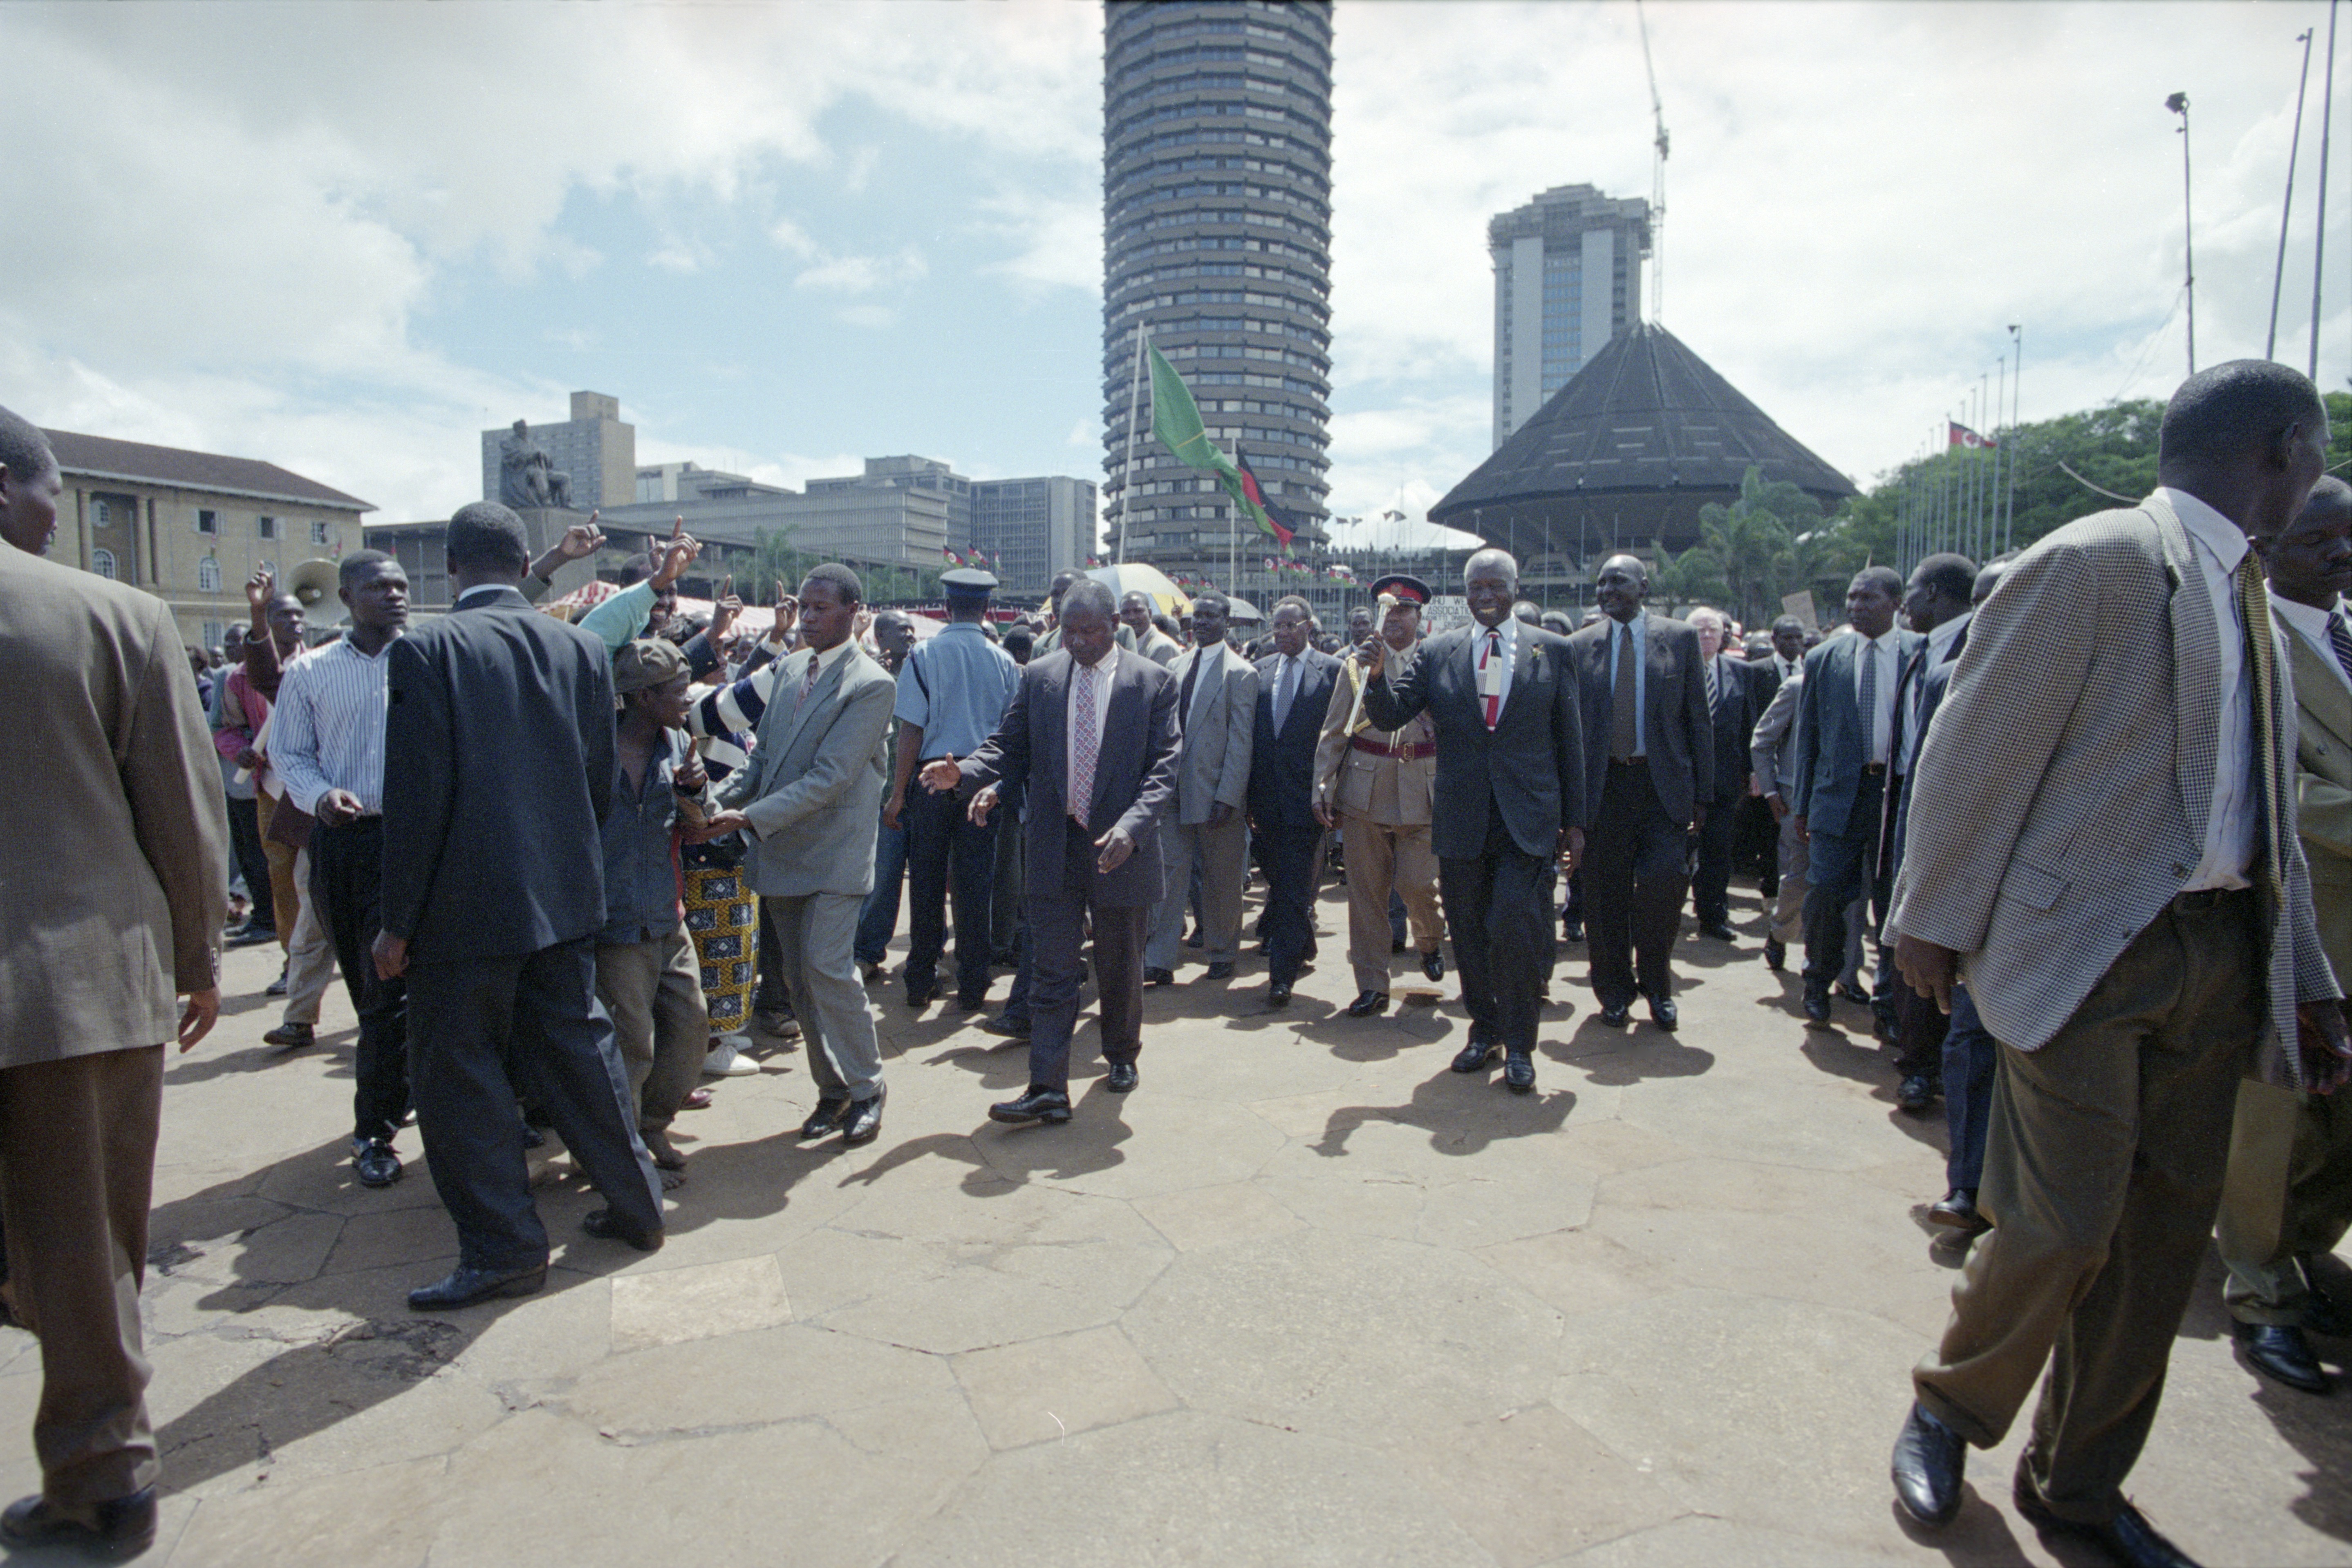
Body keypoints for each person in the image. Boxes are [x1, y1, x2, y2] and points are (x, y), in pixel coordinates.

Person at [1886, 361, 2350, 1568]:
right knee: (2062, 1225)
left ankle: (2078, 1486)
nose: (2320, 479)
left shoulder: (2250, 590)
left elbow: (2265, 819)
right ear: (2282, 451)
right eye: (2317, 456)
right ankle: (1950, 1407)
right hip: (2085, 950)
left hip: (2223, 954)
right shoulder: (2093, 562)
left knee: (2158, 1245)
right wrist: (1928, 922)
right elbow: (1973, 753)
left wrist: (2307, 980)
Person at [0, 408, 227, 1557]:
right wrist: (198, 959)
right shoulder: (114, 616)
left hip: (66, 993)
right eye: (52, 494)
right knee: (82, 1247)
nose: (59, 518)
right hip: (73, 989)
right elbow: (181, 813)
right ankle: (104, 1475)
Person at [378, 502, 668, 1313]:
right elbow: (599, 779)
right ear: (521, 561)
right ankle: (639, 1204)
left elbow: (416, 798)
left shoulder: (427, 648)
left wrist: (397, 921)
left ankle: (504, 1248)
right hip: (565, 897)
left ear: (451, 564)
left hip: (462, 910)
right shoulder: (578, 649)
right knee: (582, 1053)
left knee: (460, 1073)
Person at [924, 580, 1180, 1124]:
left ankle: (1121, 1053)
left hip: (1119, 847)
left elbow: (1163, 769)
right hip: (1054, 843)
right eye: (1070, 632)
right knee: (1051, 968)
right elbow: (1008, 745)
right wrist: (965, 773)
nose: (1080, 642)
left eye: (1090, 631)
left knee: (1119, 964)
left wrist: (1132, 828)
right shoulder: (1040, 677)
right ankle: (1047, 1087)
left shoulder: (1151, 681)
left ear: (1115, 625)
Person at [2217, 474, 2352, 1394]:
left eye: (2350, 538)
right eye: (2320, 540)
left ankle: (2303, 1254)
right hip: (2303, 921)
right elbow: (2265, 782)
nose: (2341, 555)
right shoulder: (2242, 640)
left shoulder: (2345, 633)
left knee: (2341, 1129)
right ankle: (2260, 1291)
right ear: (2265, 547)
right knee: (2273, 1117)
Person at [1360, 548, 1584, 1094]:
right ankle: (1484, 1031)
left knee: (1514, 927)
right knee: (1469, 931)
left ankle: (1521, 1045)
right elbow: (1391, 714)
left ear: (1514, 587)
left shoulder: (1553, 650)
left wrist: (1576, 822)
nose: (1485, 596)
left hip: (1527, 818)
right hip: (1462, 817)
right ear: (1464, 593)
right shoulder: (1439, 651)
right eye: (1475, 587)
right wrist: (1376, 674)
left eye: (1495, 586)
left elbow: (1570, 741)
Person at [702, 566, 897, 1148]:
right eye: (804, 607)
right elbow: (762, 762)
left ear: (853, 612)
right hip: (783, 850)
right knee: (797, 980)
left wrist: (749, 819)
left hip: (836, 854)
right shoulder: (789, 670)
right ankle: (832, 1090)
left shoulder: (871, 684)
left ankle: (868, 1087)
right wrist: (715, 801)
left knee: (827, 969)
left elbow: (831, 776)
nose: (807, 618)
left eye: (820, 608)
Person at [267, 550, 414, 1188]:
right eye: (379, 586)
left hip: (417, 842)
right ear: (348, 597)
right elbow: (289, 753)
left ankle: (393, 1120)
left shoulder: (430, 659)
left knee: (412, 990)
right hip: (348, 844)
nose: (395, 594)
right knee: (372, 989)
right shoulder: (311, 672)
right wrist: (320, 795)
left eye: (401, 585)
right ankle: (384, 1113)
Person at [1900, 559, 2004, 1234]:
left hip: (2058, 904)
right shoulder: (1948, 680)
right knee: (1970, 1040)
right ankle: (1966, 1187)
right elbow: (1927, 800)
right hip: (1972, 896)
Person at [1568, 556, 1710, 1030]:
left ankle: (1658, 985)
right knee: (1604, 897)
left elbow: (1698, 720)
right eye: (1601, 582)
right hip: (1603, 790)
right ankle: (1613, 991)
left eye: (1619, 581)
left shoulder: (1680, 639)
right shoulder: (1580, 646)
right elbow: (1570, 731)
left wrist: (1703, 795)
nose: (1608, 589)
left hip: (1661, 788)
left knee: (1663, 887)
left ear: (1644, 587)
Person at [594, 639, 712, 1184]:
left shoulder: (680, 745)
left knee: (691, 1027)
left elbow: (697, 826)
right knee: (632, 1043)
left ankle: (652, 1125)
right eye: (677, 691)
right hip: (615, 924)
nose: (687, 699)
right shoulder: (593, 751)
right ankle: (625, 1155)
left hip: (667, 914)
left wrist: (696, 791)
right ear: (643, 697)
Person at [1792, 568, 1922, 1026]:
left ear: (1896, 604)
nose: (1856, 607)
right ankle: (1817, 981)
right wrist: (1802, 806)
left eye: (1868, 598)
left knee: (1891, 903)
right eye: (1851, 598)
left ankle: (1889, 1002)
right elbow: (1808, 738)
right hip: (1837, 798)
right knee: (1825, 894)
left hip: (1896, 796)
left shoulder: (1919, 652)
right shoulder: (1825, 658)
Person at [887, 570, 1021, 1011]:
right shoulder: (1004, 662)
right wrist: (997, 785)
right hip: (982, 779)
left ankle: (920, 977)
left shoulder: (923, 655)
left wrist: (898, 794)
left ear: (946, 607)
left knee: (926, 882)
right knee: (975, 885)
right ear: (987, 609)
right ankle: (974, 981)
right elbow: (1011, 735)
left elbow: (911, 730)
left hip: (930, 777)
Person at [1313, 576, 1443, 1018]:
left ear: (1418, 617)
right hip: (1365, 786)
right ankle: (1372, 984)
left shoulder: (1436, 660)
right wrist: (1323, 785)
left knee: (1418, 883)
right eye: (1387, 610)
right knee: (1366, 893)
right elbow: (1335, 730)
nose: (1394, 619)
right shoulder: (1356, 664)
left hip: (1423, 787)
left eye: (1403, 610)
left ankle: (1430, 940)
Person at [1879, 553, 1977, 1114]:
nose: (1905, 602)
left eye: (1911, 589)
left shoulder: (1976, 651)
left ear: (1935, 594)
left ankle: (1930, 1064)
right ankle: (1916, 1062)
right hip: (1907, 810)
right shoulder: (1919, 653)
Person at [1145, 588, 1256, 985]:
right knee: (1169, 874)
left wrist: (1229, 796)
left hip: (1216, 794)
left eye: (1212, 616)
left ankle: (1223, 951)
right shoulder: (1175, 665)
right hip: (1172, 788)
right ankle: (1159, 959)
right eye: (1198, 616)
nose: (1203, 623)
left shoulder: (1241, 673)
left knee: (1221, 877)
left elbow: (1241, 741)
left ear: (1227, 622)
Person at [1248, 597, 1342, 1009]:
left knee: (1293, 884)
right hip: (1265, 800)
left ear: (1309, 626)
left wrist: (1332, 791)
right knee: (1280, 880)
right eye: (1277, 626)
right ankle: (1303, 941)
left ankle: (1281, 977)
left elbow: (1341, 736)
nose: (1282, 633)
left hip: (1309, 799)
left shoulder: (1333, 671)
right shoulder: (1260, 671)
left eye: (1290, 625)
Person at [853, 608, 919, 983]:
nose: (910, 635)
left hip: (922, 796)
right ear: (880, 637)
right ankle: (867, 953)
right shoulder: (869, 676)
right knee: (883, 880)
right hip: (883, 799)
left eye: (912, 629)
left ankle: (926, 957)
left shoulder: (922, 673)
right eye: (901, 629)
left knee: (926, 884)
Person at [1686, 606, 1755, 945]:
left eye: (1712, 630)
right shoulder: (1675, 670)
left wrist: (1753, 771)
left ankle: (1713, 916)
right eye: (1699, 630)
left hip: (1725, 781)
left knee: (1718, 853)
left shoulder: (1741, 672)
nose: (1707, 636)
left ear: (1723, 635)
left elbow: (1750, 726)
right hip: (1683, 781)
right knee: (1678, 854)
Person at [1749, 664, 1807, 973]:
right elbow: (1762, 739)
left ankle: (1838, 970)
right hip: (1795, 800)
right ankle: (1780, 933)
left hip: (1845, 798)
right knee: (1798, 877)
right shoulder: (1796, 688)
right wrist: (1771, 791)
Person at [1121, 590, 1182, 665]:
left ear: (1150, 613)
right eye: (1125, 613)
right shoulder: (1123, 645)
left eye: (1138, 611)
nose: (1132, 617)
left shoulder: (1163, 648)